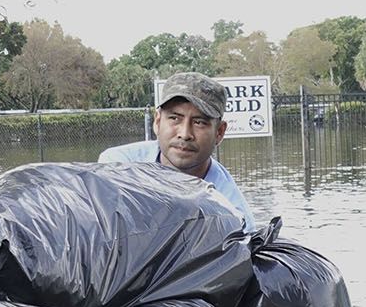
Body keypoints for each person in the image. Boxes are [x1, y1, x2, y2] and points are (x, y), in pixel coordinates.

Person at [100, 71, 256, 233]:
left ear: (219, 133)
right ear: (158, 121)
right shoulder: (117, 164)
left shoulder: (235, 216)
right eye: (175, 118)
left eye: (199, 122)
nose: (185, 133)